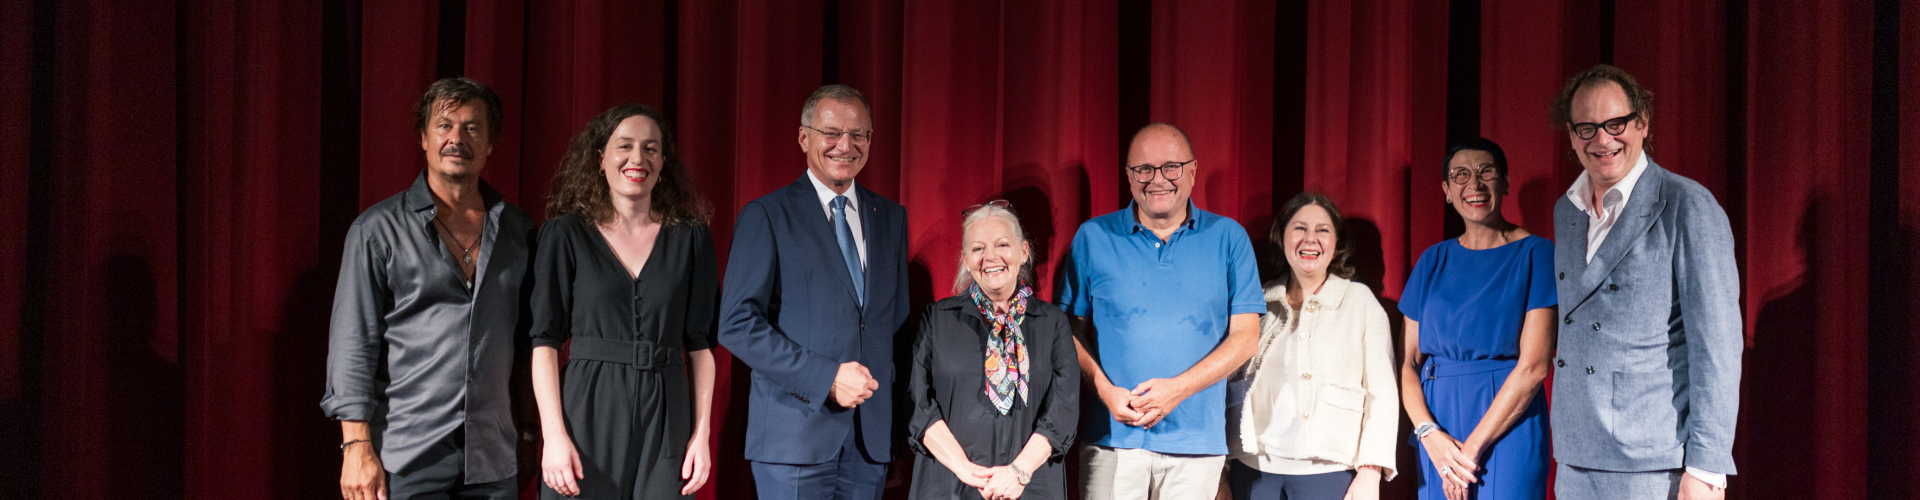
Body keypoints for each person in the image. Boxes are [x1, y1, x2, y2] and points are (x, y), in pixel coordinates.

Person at [324, 77, 534, 500]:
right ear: (423, 138)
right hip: (405, 457)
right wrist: (356, 446)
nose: (456, 138)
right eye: (444, 126)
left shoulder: (520, 231)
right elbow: (353, 344)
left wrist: (531, 435)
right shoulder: (376, 230)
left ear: (491, 143)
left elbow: (531, 343)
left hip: (493, 460)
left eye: (472, 127)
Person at [1547, 64, 1742, 500]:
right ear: (1571, 133)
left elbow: (1717, 346)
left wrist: (1707, 466)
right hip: (1576, 451)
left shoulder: (1686, 205)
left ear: (1642, 123)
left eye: (1616, 124)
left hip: (1653, 459)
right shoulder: (1567, 210)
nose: (1602, 139)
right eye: (1587, 127)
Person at [718, 84, 910, 500]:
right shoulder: (766, 215)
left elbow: (891, 323)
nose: (846, 145)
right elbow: (736, 325)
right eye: (831, 133)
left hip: (868, 444)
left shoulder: (890, 218)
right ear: (804, 137)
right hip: (794, 438)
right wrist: (826, 378)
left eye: (858, 134)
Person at [1054, 123, 1264, 500]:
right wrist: (1104, 390)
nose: (1158, 180)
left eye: (1171, 167)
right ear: (1129, 177)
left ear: (1193, 171)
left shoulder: (1229, 238)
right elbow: (1066, 331)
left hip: (1197, 444)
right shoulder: (1092, 237)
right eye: (1144, 170)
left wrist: (1177, 391)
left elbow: (1247, 338)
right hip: (1112, 440)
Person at [528, 104, 718, 499]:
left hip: (667, 412)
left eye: (651, 149)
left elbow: (700, 345)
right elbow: (544, 342)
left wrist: (701, 436)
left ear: (663, 162)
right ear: (600, 159)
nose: (638, 158)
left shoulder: (691, 238)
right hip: (586, 410)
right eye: (625, 146)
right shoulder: (564, 235)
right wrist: (554, 436)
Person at [1397, 138, 1555, 500]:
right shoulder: (1431, 260)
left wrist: (1469, 451)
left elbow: (1534, 367)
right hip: (1438, 425)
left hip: (1508, 423)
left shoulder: (1537, 254)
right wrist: (1429, 435)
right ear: (1447, 191)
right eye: (1461, 175)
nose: (1475, 185)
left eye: (1486, 172)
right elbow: (1406, 362)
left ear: (1505, 182)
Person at [1222, 192, 1398, 500]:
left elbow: (1382, 394)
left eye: (1323, 230)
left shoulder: (1359, 302)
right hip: (1253, 473)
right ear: (1282, 238)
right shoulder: (1256, 302)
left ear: (1337, 243)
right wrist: (1220, 470)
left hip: (1329, 475)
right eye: (1300, 228)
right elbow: (1225, 383)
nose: (1310, 239)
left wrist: (1371, 472)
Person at [907, 201, 1080, 500]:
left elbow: (1063, 410)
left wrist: (1018, 472)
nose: (990, 257)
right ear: (964, 258)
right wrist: (964, 469)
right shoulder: (936, 319)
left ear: (1023, 251)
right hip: (949, 486)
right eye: (977, 249)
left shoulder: (1052, 323)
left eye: (1002, 244)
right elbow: (917, 404)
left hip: (1030, 486)